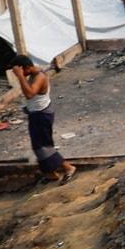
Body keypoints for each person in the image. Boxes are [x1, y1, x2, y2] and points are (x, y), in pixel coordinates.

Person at [11, 55, 75, 183]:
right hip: (36, 113)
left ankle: (68, 168)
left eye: (21, 71)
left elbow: (29, 94)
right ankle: (49, 173)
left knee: (44, 146)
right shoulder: (34, 73)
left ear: (27, 68)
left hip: (42, 114)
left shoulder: (39, 77)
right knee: (38, 145)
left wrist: (20, 77)